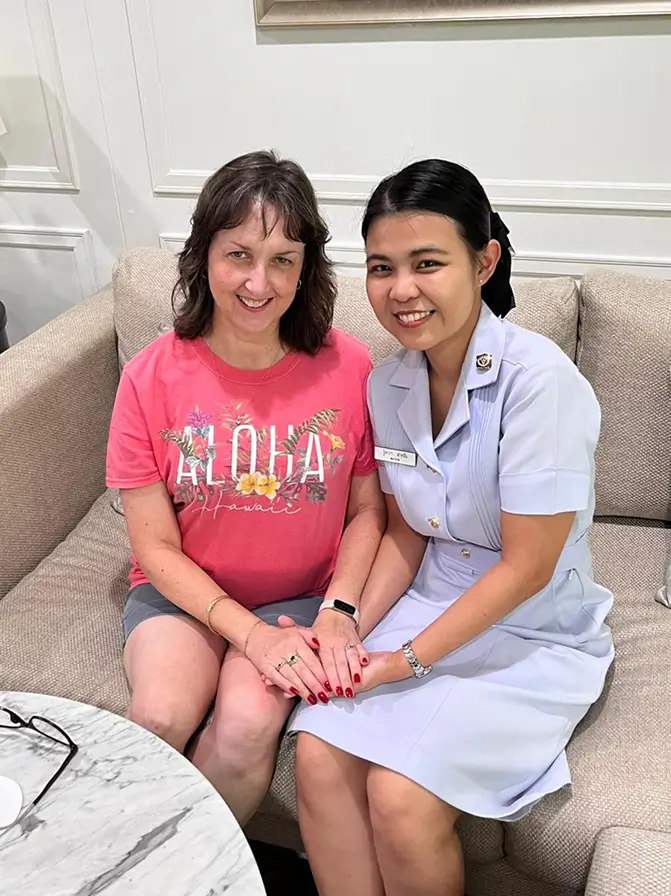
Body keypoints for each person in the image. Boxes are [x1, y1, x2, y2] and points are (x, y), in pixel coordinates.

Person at [288, 159, 614, 896]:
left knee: (400, 797)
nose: (401, 290)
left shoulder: (540, 382)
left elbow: (526, 567)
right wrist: (343, 626)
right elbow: (406, 532)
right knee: (314, 751)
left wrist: (402, 662)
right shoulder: (389, 380)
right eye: (381, 267)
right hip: (427, 603)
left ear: (483, 260)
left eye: (426, 264)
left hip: (530, 628)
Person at [105, 150, 385, 824]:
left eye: (282, 259)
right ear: (204, 255)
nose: (259, 283)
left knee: (244, 728)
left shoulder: (349, 366)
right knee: (159, 713)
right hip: (184, 595)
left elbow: (368, 512)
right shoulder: (149, 376)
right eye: (239, 255)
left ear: (305, 268)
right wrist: (247, 637)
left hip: (299, 599)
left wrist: (338, 611)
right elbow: (155, 547)